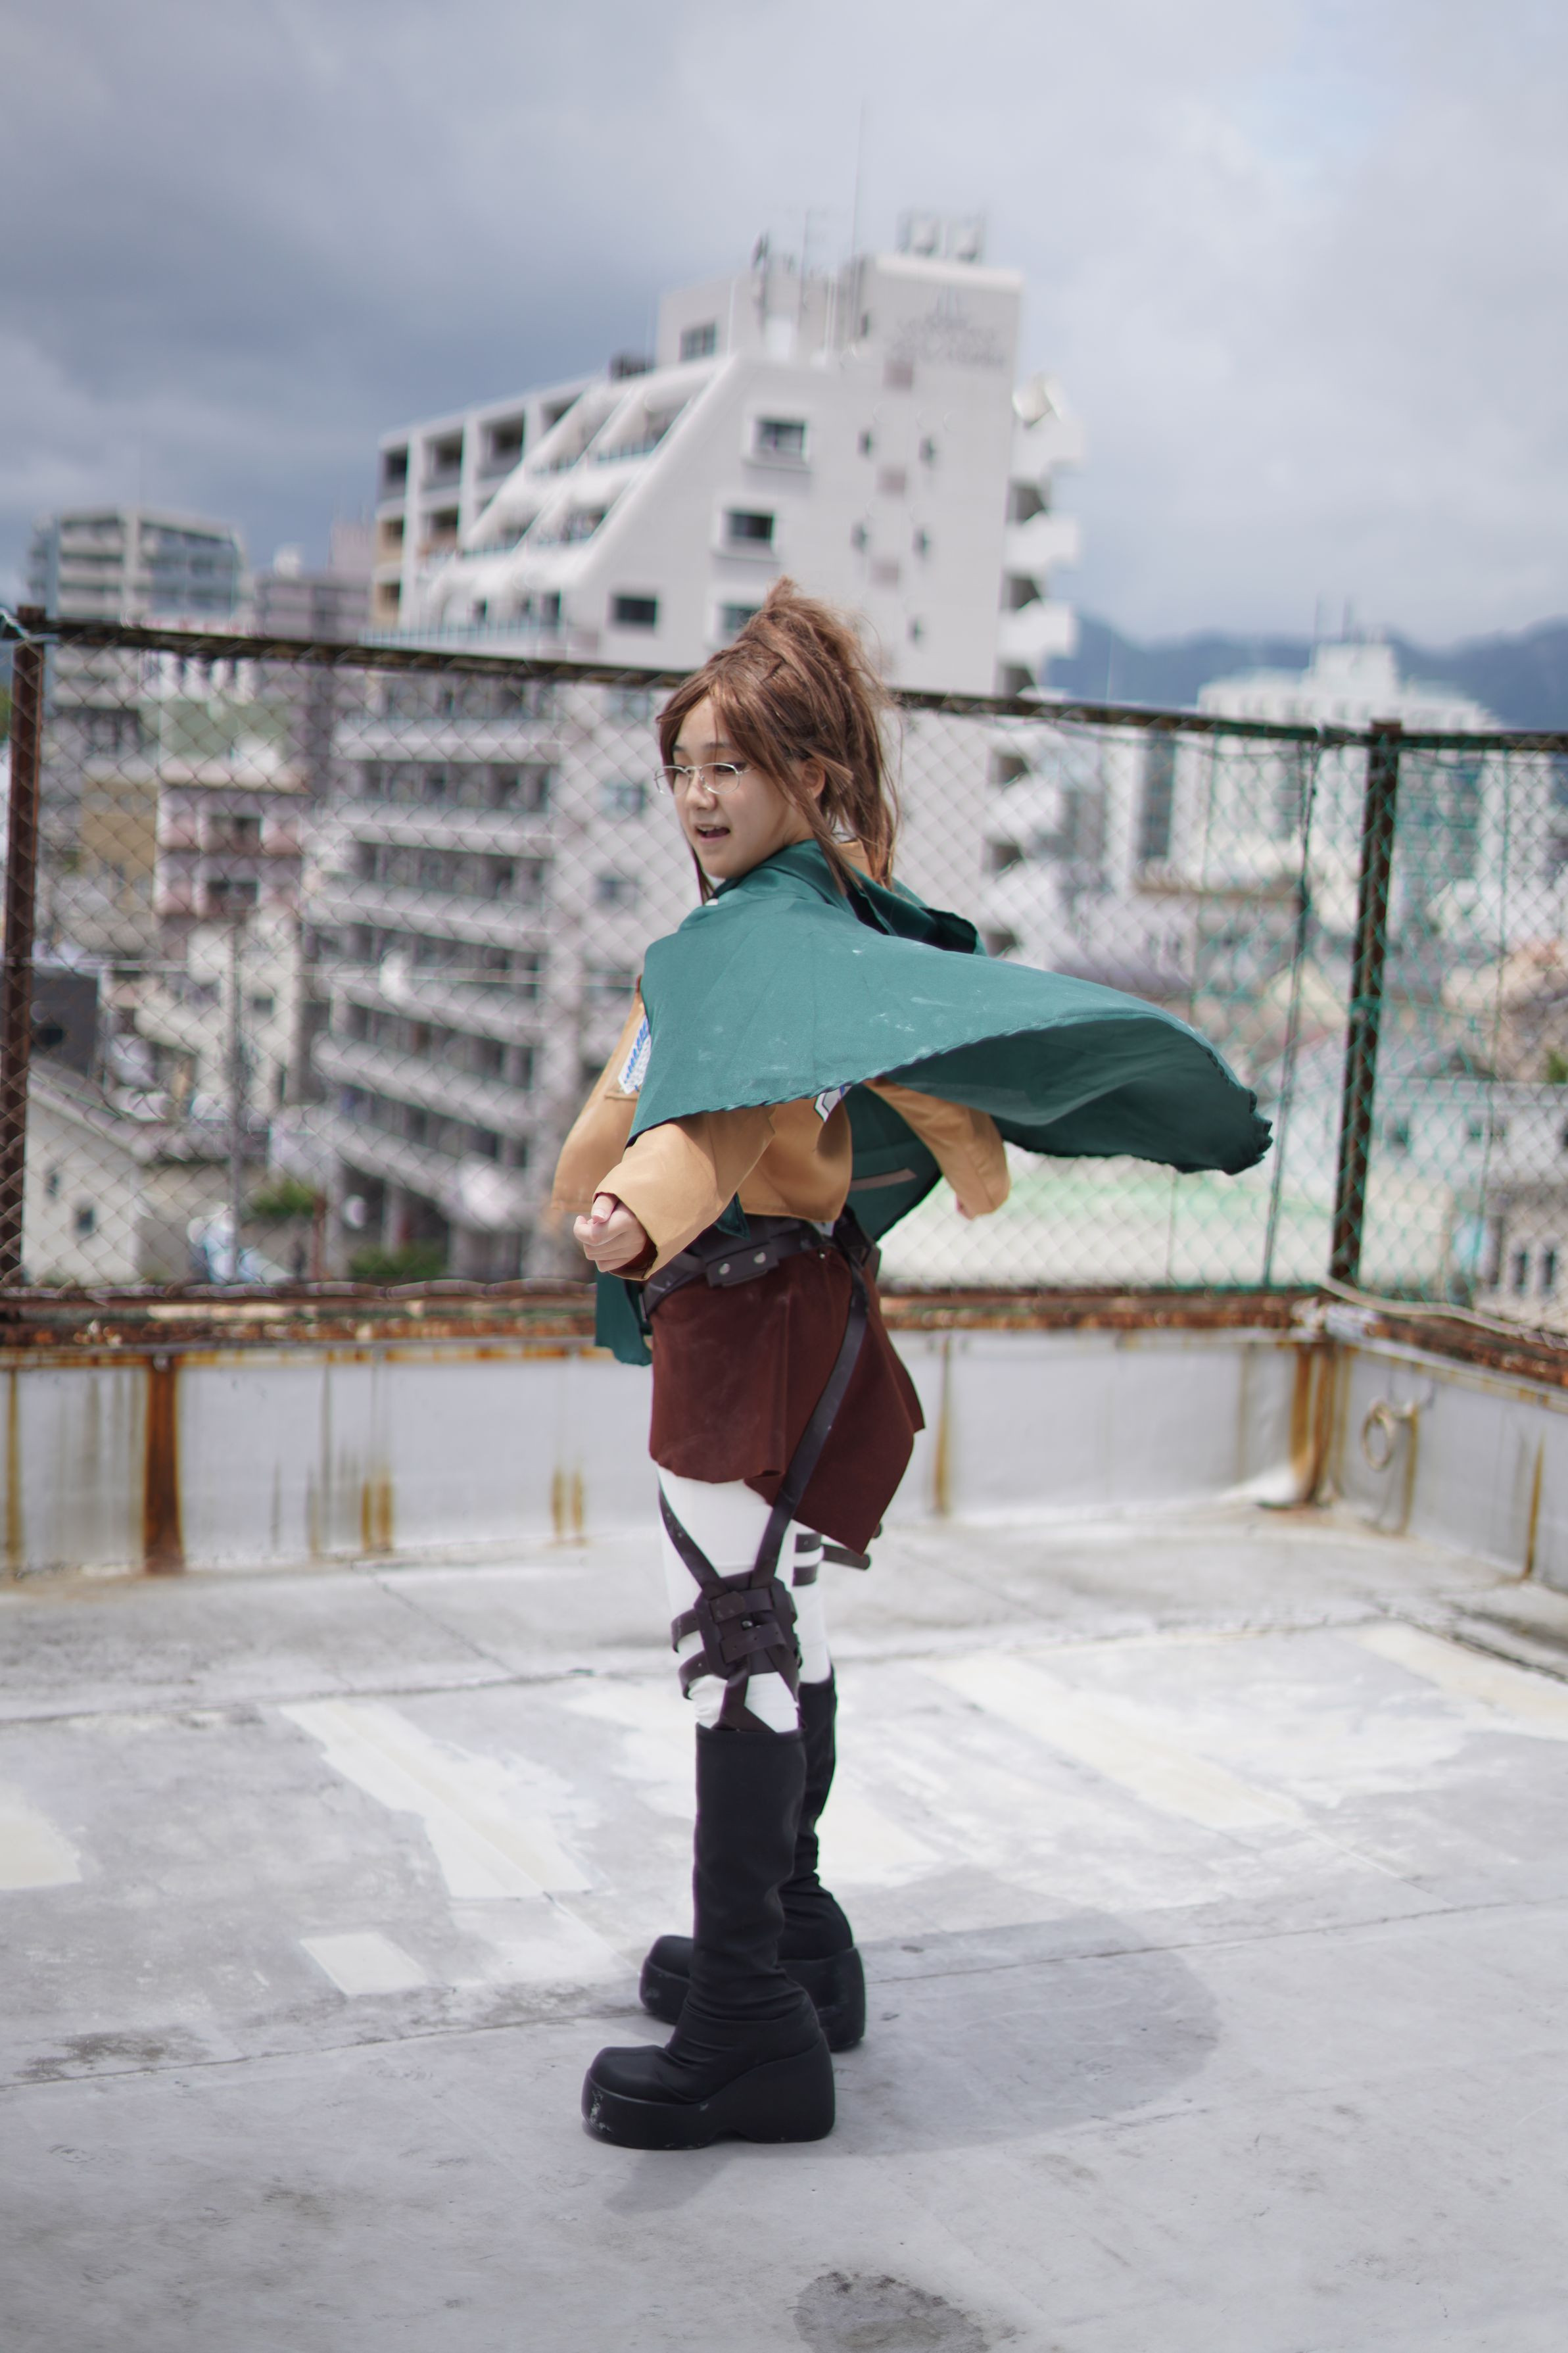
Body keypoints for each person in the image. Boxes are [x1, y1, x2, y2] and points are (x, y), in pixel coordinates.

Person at [552, 580, 1268, 2152]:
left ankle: (750, 2023)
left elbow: (716, 1118)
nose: (698, 797)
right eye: (685, 767)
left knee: (733, 1639)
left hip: (742, 1320)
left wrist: (631, 1212)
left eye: (732, 766)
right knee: (776, 1627)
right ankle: (794, 1945)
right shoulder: (828, 916)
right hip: (799, 1313)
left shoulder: (756, 941)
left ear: (807, 778)